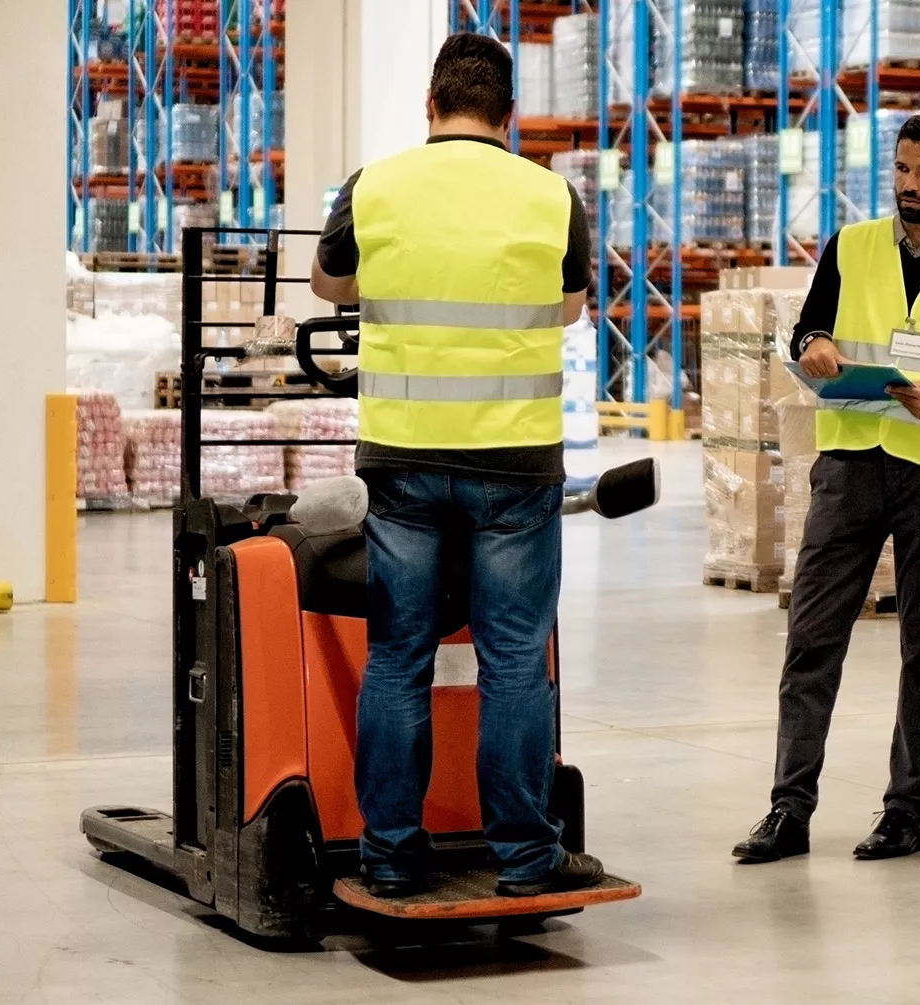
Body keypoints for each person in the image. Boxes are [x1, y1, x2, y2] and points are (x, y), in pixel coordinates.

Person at [309, 33, 605, 897]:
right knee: (514, 659)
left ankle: (392, 860)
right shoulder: (551, 195)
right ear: (509, 116)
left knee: (398, 654)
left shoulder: (377, 184)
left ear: (432, 107)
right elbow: (572, 306)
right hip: (514, 459)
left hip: (403, 458)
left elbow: (329, 286)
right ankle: (522, 859)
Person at [731, 112, 920, 865]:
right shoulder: (850, 246)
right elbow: (807, 331)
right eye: (901, 169)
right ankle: (788, 809)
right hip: (850, 463)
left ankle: (906, 813)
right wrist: (814, 343)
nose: (909, 185)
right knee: (812, 637)